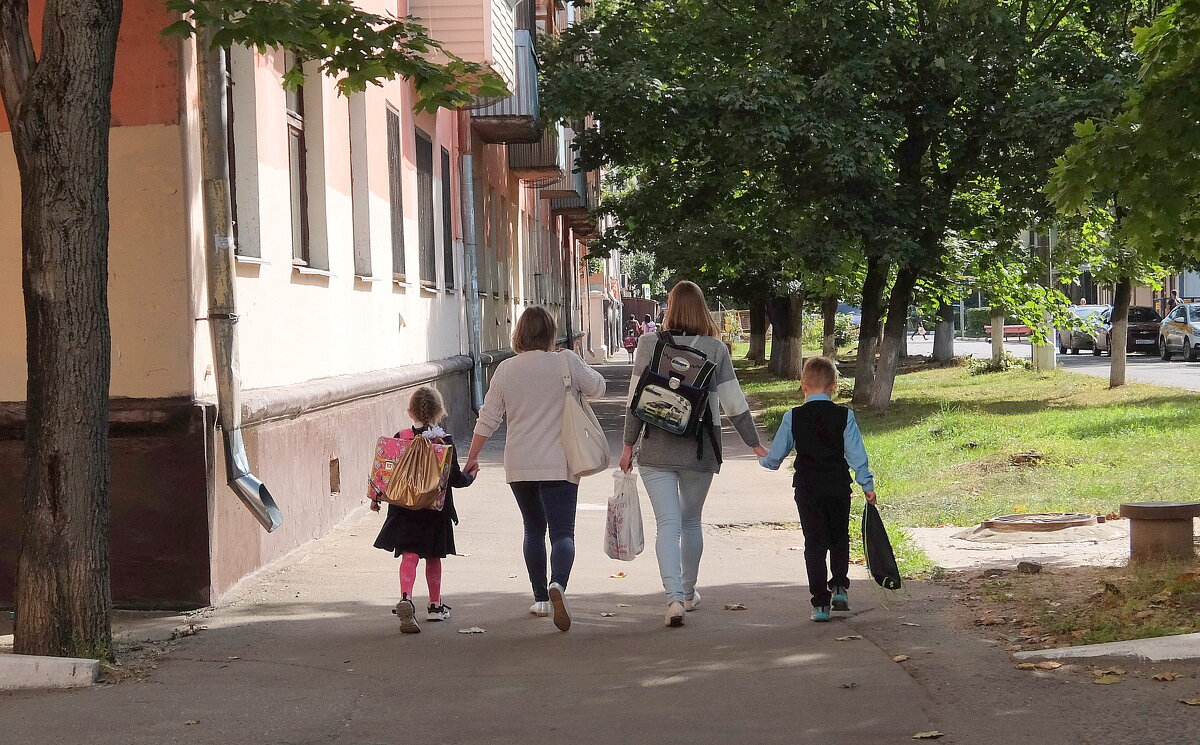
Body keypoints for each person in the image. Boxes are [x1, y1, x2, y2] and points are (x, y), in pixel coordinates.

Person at [620, 281, 768, 627]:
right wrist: (754, 443)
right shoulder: (715, 349)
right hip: (700, 450)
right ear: (702, 309)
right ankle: (687, 592)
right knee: (690, 522)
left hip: (655, 449)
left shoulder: (648, 343)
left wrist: (628, 446)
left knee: (667, 525)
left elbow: (634, 401)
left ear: (670, 308)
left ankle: (673, 599)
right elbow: (734, 403)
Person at [463, 306, 605, 632]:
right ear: (550, 333)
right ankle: (559, 585)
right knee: (563, 533)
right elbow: (598, 387)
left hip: (520, 463)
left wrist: (472, 458)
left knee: (533, 530)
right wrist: (575, 359)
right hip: (561, 462)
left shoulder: (505, 370)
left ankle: (541, 598)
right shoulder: (565, 361)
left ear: (520, 334)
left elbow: (489, 418)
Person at [758, 356, 877, 623]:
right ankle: (839, 587)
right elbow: (856, 454)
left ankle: (820, 604)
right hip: (837, 486)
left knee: (814, 543)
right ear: (833, 387)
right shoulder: (844, 416)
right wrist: (866, 484)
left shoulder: (793, 416)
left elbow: (776, 456)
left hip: (807, 488)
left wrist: (764, 459)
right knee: (839, 537)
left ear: (803, 386)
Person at [371, 386, 475, 634]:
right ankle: (435, 606)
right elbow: (454, 479)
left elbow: (385, 473)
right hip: (434, 512)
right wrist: (471, 476)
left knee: (409, 554)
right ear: (440, 412)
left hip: (404, 509)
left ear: (409, 411)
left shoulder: (401, 436)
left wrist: (376, 497)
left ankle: (406, 598)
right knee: (433, 557)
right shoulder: (444, 441)